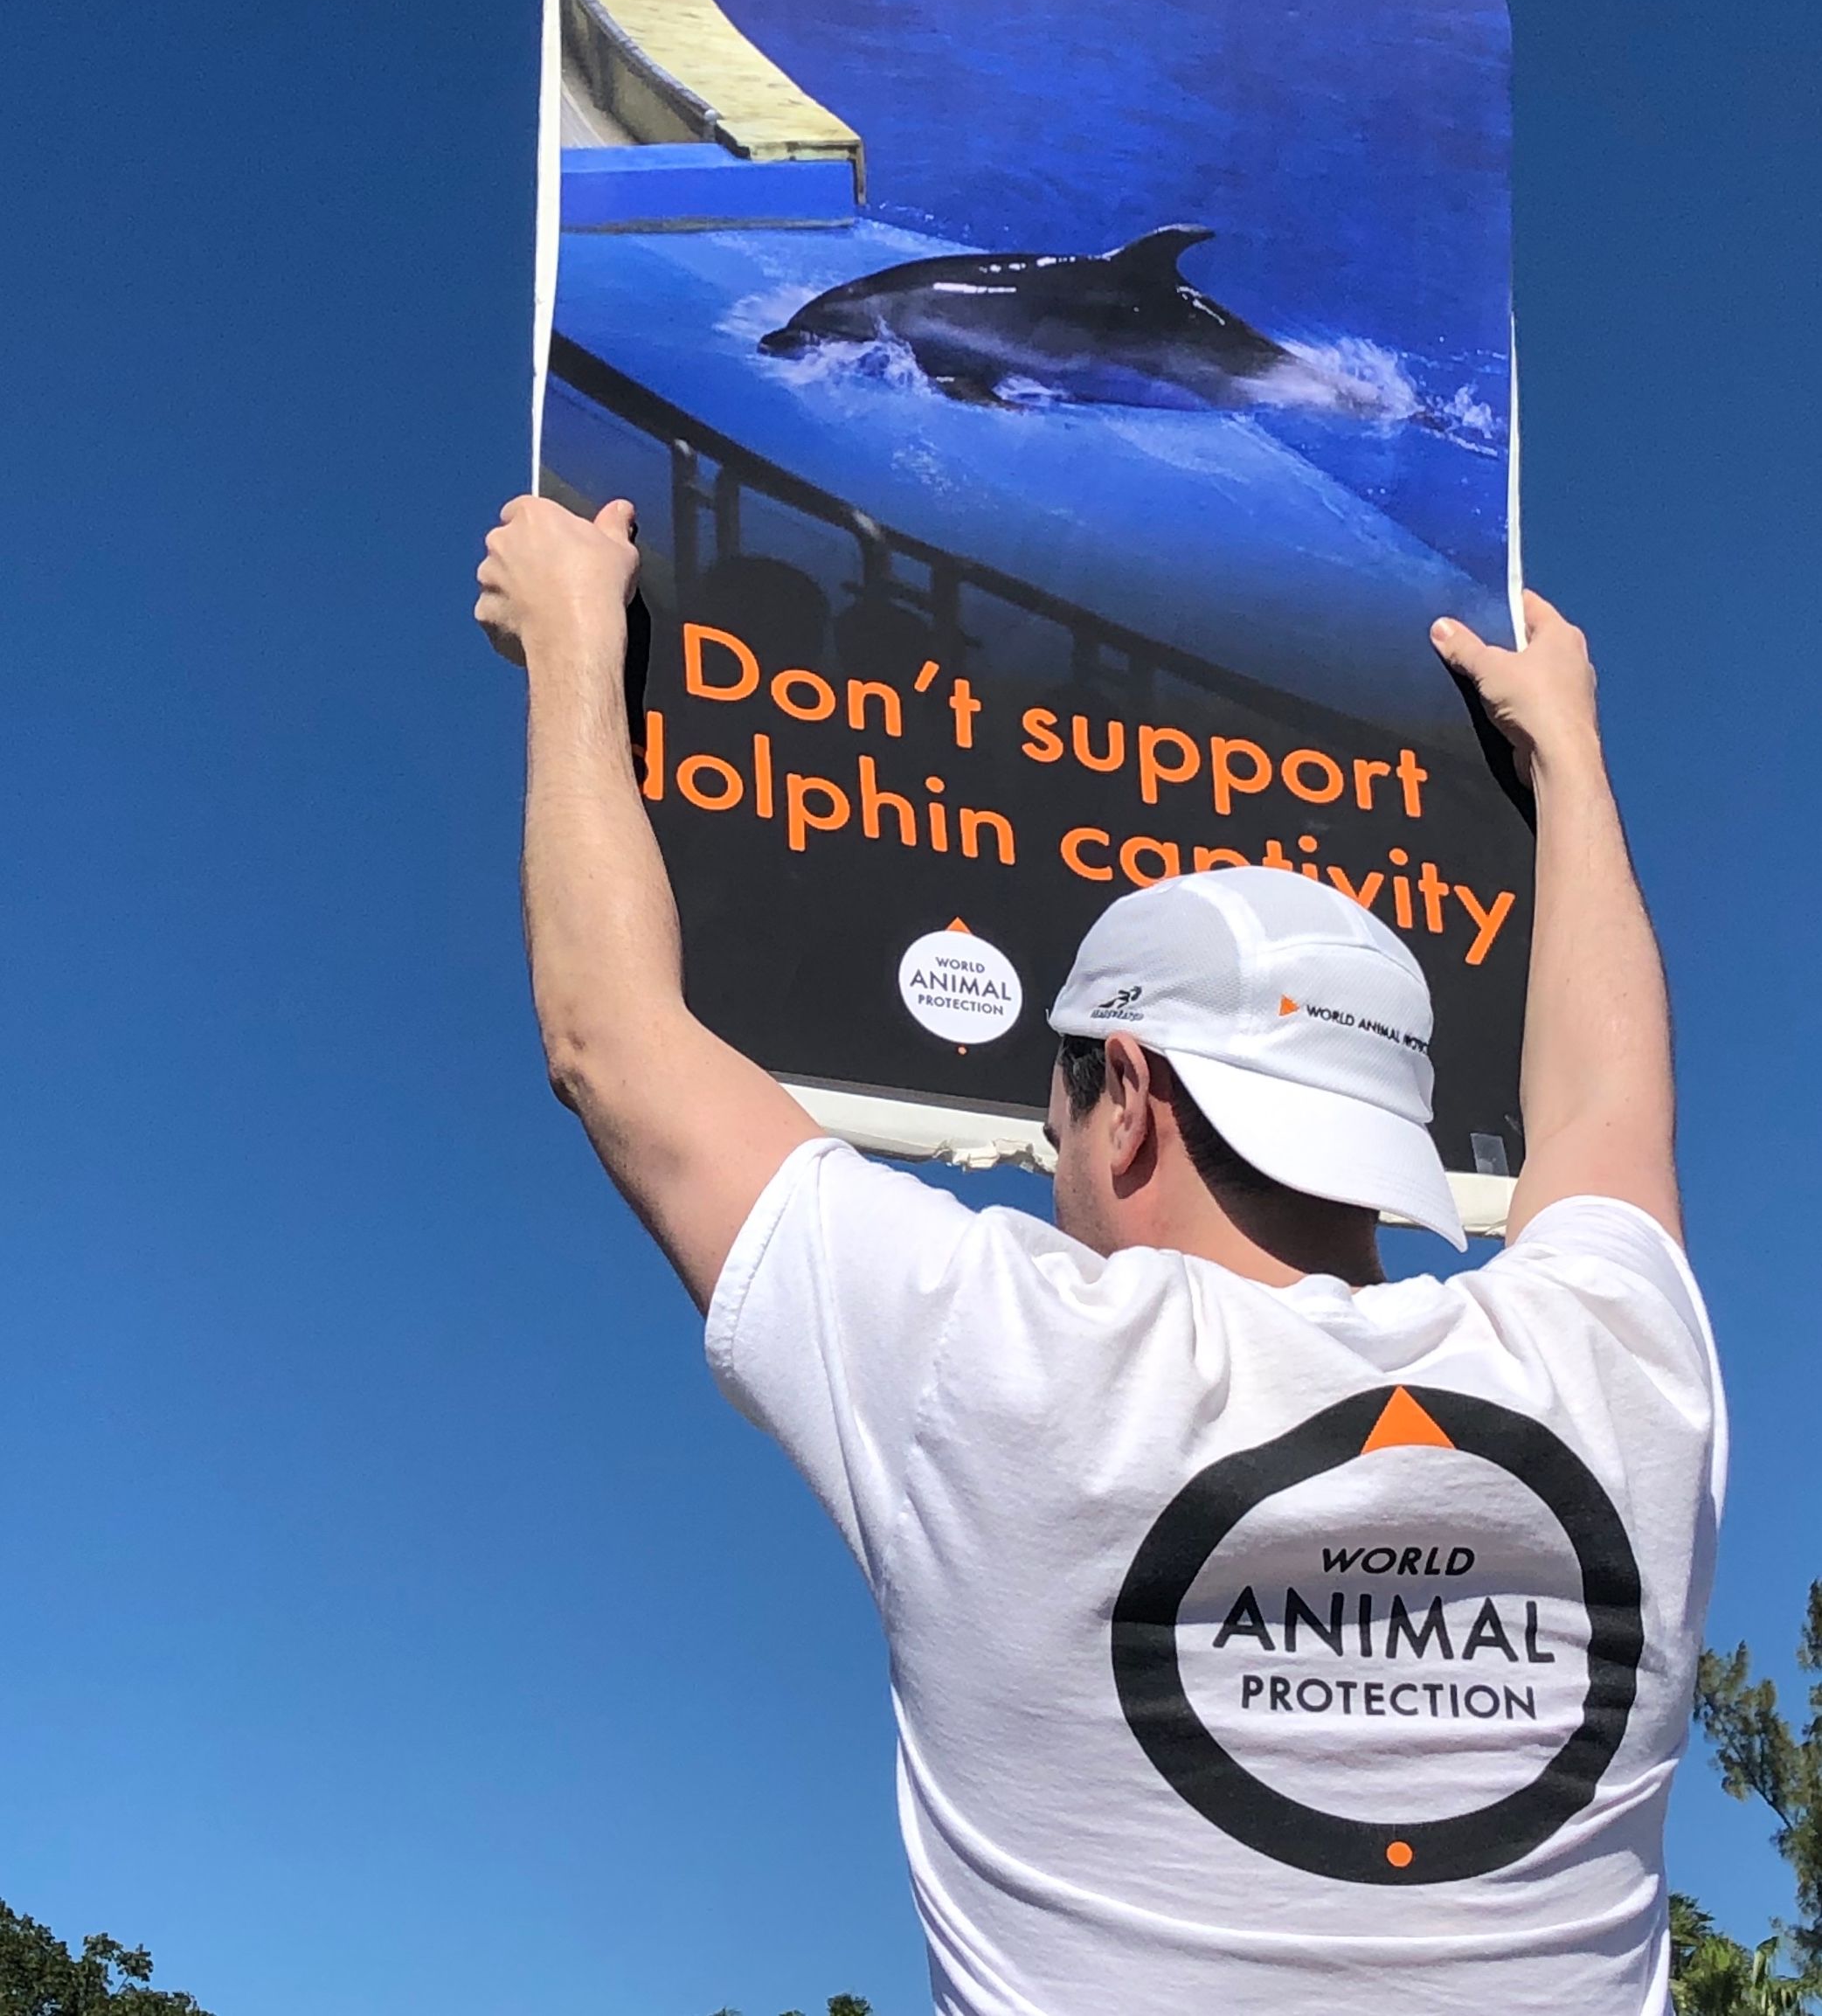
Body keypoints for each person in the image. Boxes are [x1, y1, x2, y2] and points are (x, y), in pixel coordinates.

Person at [475, 492, 1723, 2016]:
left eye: (1054, 1107)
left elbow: (613, 1041)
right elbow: (1607, 1103)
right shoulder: (1622, 1377)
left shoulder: (998, 1361)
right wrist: (1571, 754)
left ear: (1123, 1097)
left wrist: (571, 640)